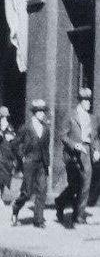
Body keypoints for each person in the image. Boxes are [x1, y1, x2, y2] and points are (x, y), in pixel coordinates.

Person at [54, 88, 99, 226]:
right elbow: (62, 135)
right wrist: (74, 145)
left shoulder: (92, 118)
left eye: (89, 101)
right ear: (80, 101)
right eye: (86, 101)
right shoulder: (71, 116)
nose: (88, 103)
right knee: (75, 185)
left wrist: (97, 150)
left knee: (86, 183)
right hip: (73, 154)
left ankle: (78, 216)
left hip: (87, 152)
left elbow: (96, 137)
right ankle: (61, 202)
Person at [11, 100, 51, 228]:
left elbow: (46, 147)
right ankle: (16, 207)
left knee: (42, 190)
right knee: (27, 192)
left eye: (43, 111)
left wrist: (47, 162)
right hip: (29, 162)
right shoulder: (26, 127)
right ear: (34, 113)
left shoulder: (46, 128)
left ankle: (38, 220)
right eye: (39, 111)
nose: (42, 114)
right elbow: (15, 144)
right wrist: (21, 157)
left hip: (42, 164)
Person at [0, 106, 17, 207]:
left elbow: (13, 136)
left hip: (8, 155)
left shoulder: (10, 126)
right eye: (3, 117)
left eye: (6, 117)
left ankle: (1, 197)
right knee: (0, 177)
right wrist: (2, 130)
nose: (4, 119)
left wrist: (11, 137)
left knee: (6, 177)